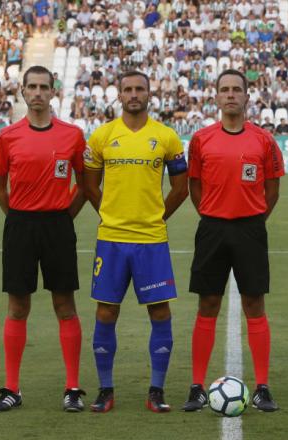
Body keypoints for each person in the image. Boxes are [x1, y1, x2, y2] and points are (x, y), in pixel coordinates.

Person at [83, 71, 189, 413]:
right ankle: (105, 389)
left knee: (160, 311)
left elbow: (181, 187)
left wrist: (157, 217)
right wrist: (109, 214)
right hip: (111, 239)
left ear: (149, 94)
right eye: (127, 89)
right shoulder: (102, 136)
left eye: (139, 89)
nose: (133, 94)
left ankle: (156, 391)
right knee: (106, 311)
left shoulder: (166, 136)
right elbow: (89, 185)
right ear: (118, 94)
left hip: (151, 240)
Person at [182, 69, 284, 412]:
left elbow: (272, 188)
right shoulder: (201, 139)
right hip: (212, 228)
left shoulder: (264, 140)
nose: (230, 95)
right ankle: (197, 385)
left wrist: (254, 218)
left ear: (246, 97)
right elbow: (194, 185)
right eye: (224, 90)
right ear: (216, 97)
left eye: (236, 90)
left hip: (250, 229)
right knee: (207, 304)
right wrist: (211, 213)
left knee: (254, 304)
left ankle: (262, 386)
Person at [0, 65, 87, 412]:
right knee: (18, 306)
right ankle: (12, 389)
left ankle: (72, 388)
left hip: (58, 226)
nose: (38, 92)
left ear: (53, 91)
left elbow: (85, 185)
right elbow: (0, 186)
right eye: (32, 86)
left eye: (44, 86)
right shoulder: (7, 136)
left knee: (65, 305)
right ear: (22, 91)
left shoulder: (73, 135)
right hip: (20, 227)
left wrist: (63, 217)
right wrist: (17, 217)